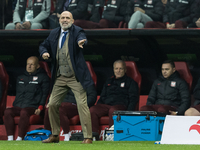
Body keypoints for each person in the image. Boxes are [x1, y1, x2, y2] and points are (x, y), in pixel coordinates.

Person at [39, 11, 94, 144]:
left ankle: (88, 137)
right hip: (60, 76)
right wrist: (44, 52)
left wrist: (82, 42)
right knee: (52, 104)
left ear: (72, 20)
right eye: (62, 18)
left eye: (67, 18)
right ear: (59, 20)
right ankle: (55, 135)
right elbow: (43, 45)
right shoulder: (54, 33)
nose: (64, 20)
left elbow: (82, 37)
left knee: (82, 104)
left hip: (75, 77)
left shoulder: (77, 31)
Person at [4, 56, 50, 141]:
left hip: (32, 106)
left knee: (24, 112)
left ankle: (20, 137)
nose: (29, 66)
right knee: (7, 111)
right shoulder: (20, 77)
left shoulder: (43, 78)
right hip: (19, 105)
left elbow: (44, 94)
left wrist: (40, 107)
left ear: (37, 66)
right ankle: (10, 138)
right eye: (28, 64)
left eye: (32, 64)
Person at [90, 60, 139, 134]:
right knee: (93, 110)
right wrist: (99, 107)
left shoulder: (131, 82)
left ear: (125, 70)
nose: (118, 71)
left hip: (121, 105)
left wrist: (129, 113)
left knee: (113, 110)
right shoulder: (109, 81)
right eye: (116, 68)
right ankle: (93, 135)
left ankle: (112, 134)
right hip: (107, 105)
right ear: (113, 70)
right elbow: (102, 97)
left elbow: (133, 99)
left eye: (121, 68)